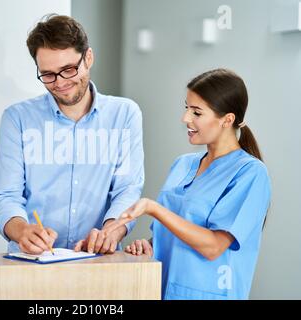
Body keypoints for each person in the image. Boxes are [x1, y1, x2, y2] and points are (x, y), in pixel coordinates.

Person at [104, 69, 271, 299]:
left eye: (197, 112)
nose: (186, 119)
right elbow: (173, 234)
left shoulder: (250, 174)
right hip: (160, 291)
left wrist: (154, 209)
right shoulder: (182, 165)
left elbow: (213, 247)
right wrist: (149, 245)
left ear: (227, 119)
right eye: (186, 108)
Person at [0, 14, 144, 255]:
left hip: (98, 259)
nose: (59, 83)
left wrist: (111, 231)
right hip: (32, 261)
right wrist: (22, 231)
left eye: (68, 70)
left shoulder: (124, 114)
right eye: (48, 74)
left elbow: (127, 189)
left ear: (88, 58)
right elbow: (5, 195)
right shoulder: (17, 119)